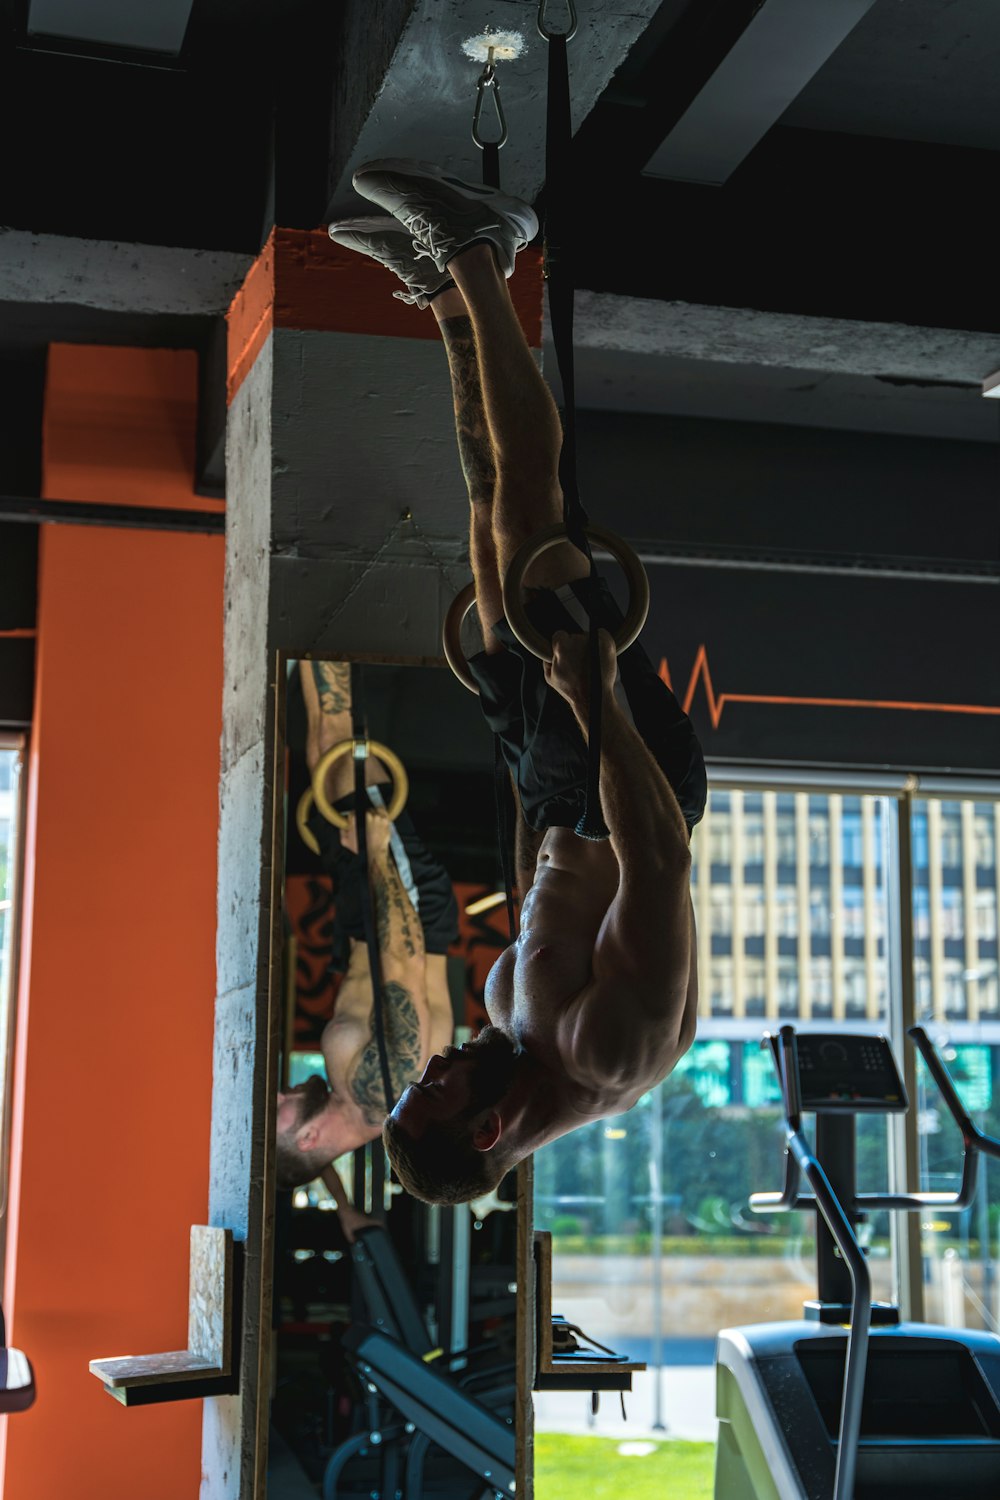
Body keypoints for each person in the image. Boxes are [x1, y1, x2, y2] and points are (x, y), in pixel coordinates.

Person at [328, 160, 707, 1205]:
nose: (438, 1064)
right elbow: (659, 859)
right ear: (491, 1127)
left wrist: (516, 742)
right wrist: (594, 705)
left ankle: (448, 296)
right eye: (438, 1090)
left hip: (554, 790)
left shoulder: (517, 1040)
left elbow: (539, 878)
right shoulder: (609, 1049)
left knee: (490, 520)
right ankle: (478, 249)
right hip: (628, 783)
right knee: (534, 520)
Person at [276, 659, 458, 1196]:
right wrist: (378, 859)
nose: (282, 1096)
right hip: (406, 911)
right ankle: (319, 627)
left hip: (371, 922)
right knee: (339, 753)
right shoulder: (382, 1096)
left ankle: (311, 649)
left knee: (324, 764)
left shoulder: (355, 1097)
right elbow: (403, 962)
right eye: (281, 1113)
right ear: (307, 1139)